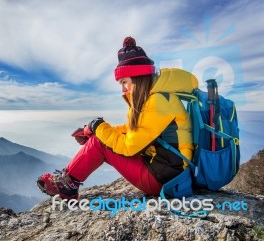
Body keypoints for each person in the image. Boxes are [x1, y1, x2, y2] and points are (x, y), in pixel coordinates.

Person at [37, 36, 197, 199]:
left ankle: (67, 186)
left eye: (124, 82)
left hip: (164, 179)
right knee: (102, 137)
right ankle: (68, 182)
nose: (123, 89)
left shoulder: (158, 102)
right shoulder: (157, 97)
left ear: (137, 77)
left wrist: (98, 128)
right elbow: (134, 130)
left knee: (100, 143)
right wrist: (96, 129)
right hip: (166, 171)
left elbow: (129, 147)